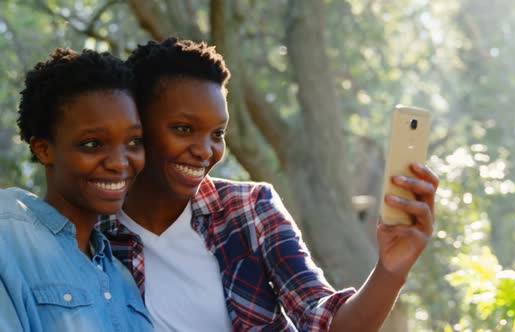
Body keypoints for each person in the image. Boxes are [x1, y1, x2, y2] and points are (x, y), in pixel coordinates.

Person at [99, 37, 438, 332]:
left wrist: (390, 271)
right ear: (136, 124)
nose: (205, 151)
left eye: (217, 134)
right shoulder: (92, 231)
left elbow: (322, 321)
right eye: (184, 129)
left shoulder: (249, 209)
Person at [0, 48, 153, 331]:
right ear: (44, 149)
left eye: (134, 142)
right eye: (92, 144)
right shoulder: (8, 232)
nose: (120, 163)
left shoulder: (123, 280)